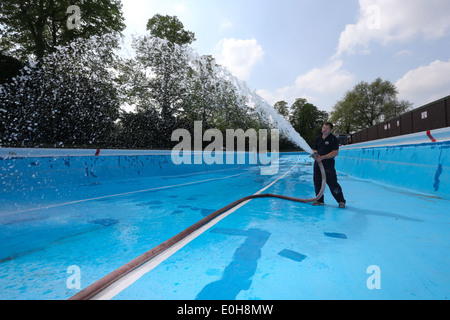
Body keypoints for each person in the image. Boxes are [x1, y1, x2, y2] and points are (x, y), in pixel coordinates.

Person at [312, 122, 346, 208]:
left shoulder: (333, 139)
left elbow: (335, 153)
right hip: (317, 165)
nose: (324, 129)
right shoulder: (318, 138)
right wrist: (315, 155)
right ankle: (320, 200)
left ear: (331, 130)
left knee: (333, 184)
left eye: (326, 128)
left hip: (328, 166)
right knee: (317, 183)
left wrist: (322, 157)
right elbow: (315, 149)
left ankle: (341, 201)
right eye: (323, 127)